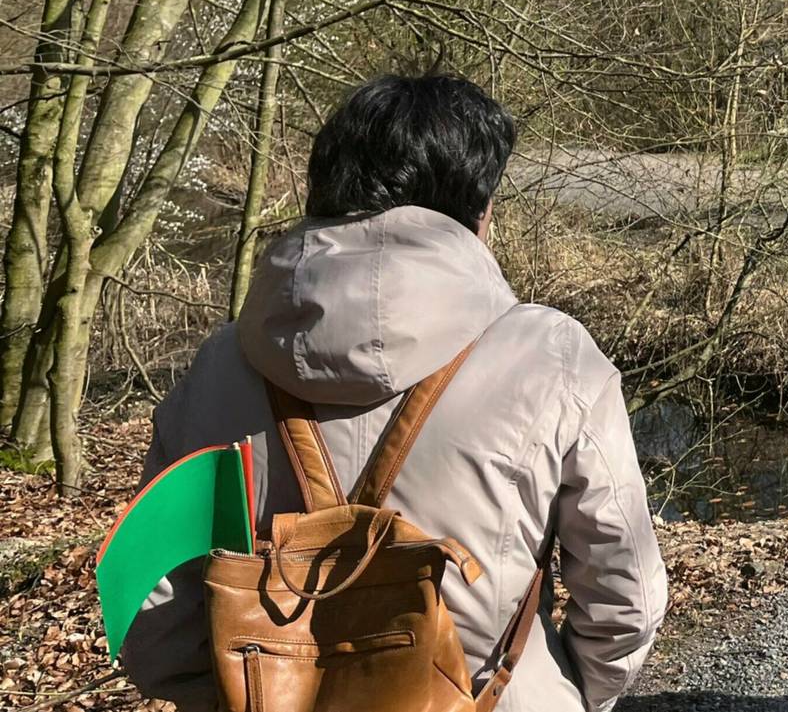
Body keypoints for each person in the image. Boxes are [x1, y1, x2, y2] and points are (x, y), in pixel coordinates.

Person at [122, 74, 667, 711]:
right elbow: (626, 596)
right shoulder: (552, 358)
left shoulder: (220, 363)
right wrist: (564, 693)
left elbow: (152, 601)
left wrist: (225, 697)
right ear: (479, 208)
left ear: (324, 190)